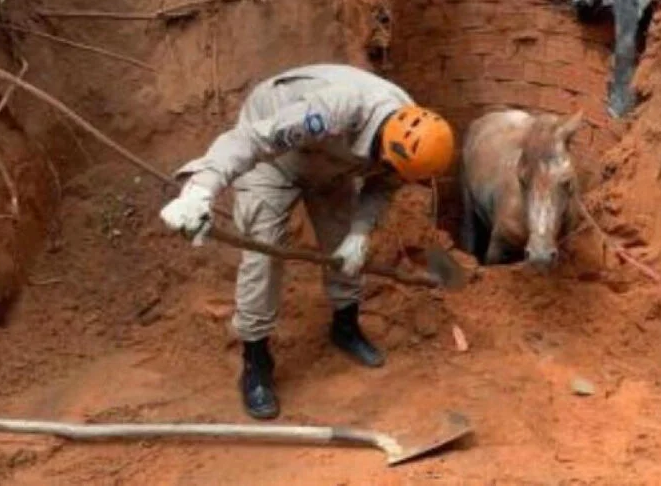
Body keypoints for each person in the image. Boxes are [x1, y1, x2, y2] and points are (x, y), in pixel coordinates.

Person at [159, 64, 455, 420]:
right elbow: (251, 140)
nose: (394, 175)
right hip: (275, 158)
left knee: (344, 246)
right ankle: (256, 361)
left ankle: (345, 326)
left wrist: (360, 232)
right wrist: (201, 189)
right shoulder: (331, 110)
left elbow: (383, 184)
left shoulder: (412, 136)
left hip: (334, 164)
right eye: (390, 166)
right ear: (384, 145)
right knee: (263, 252)